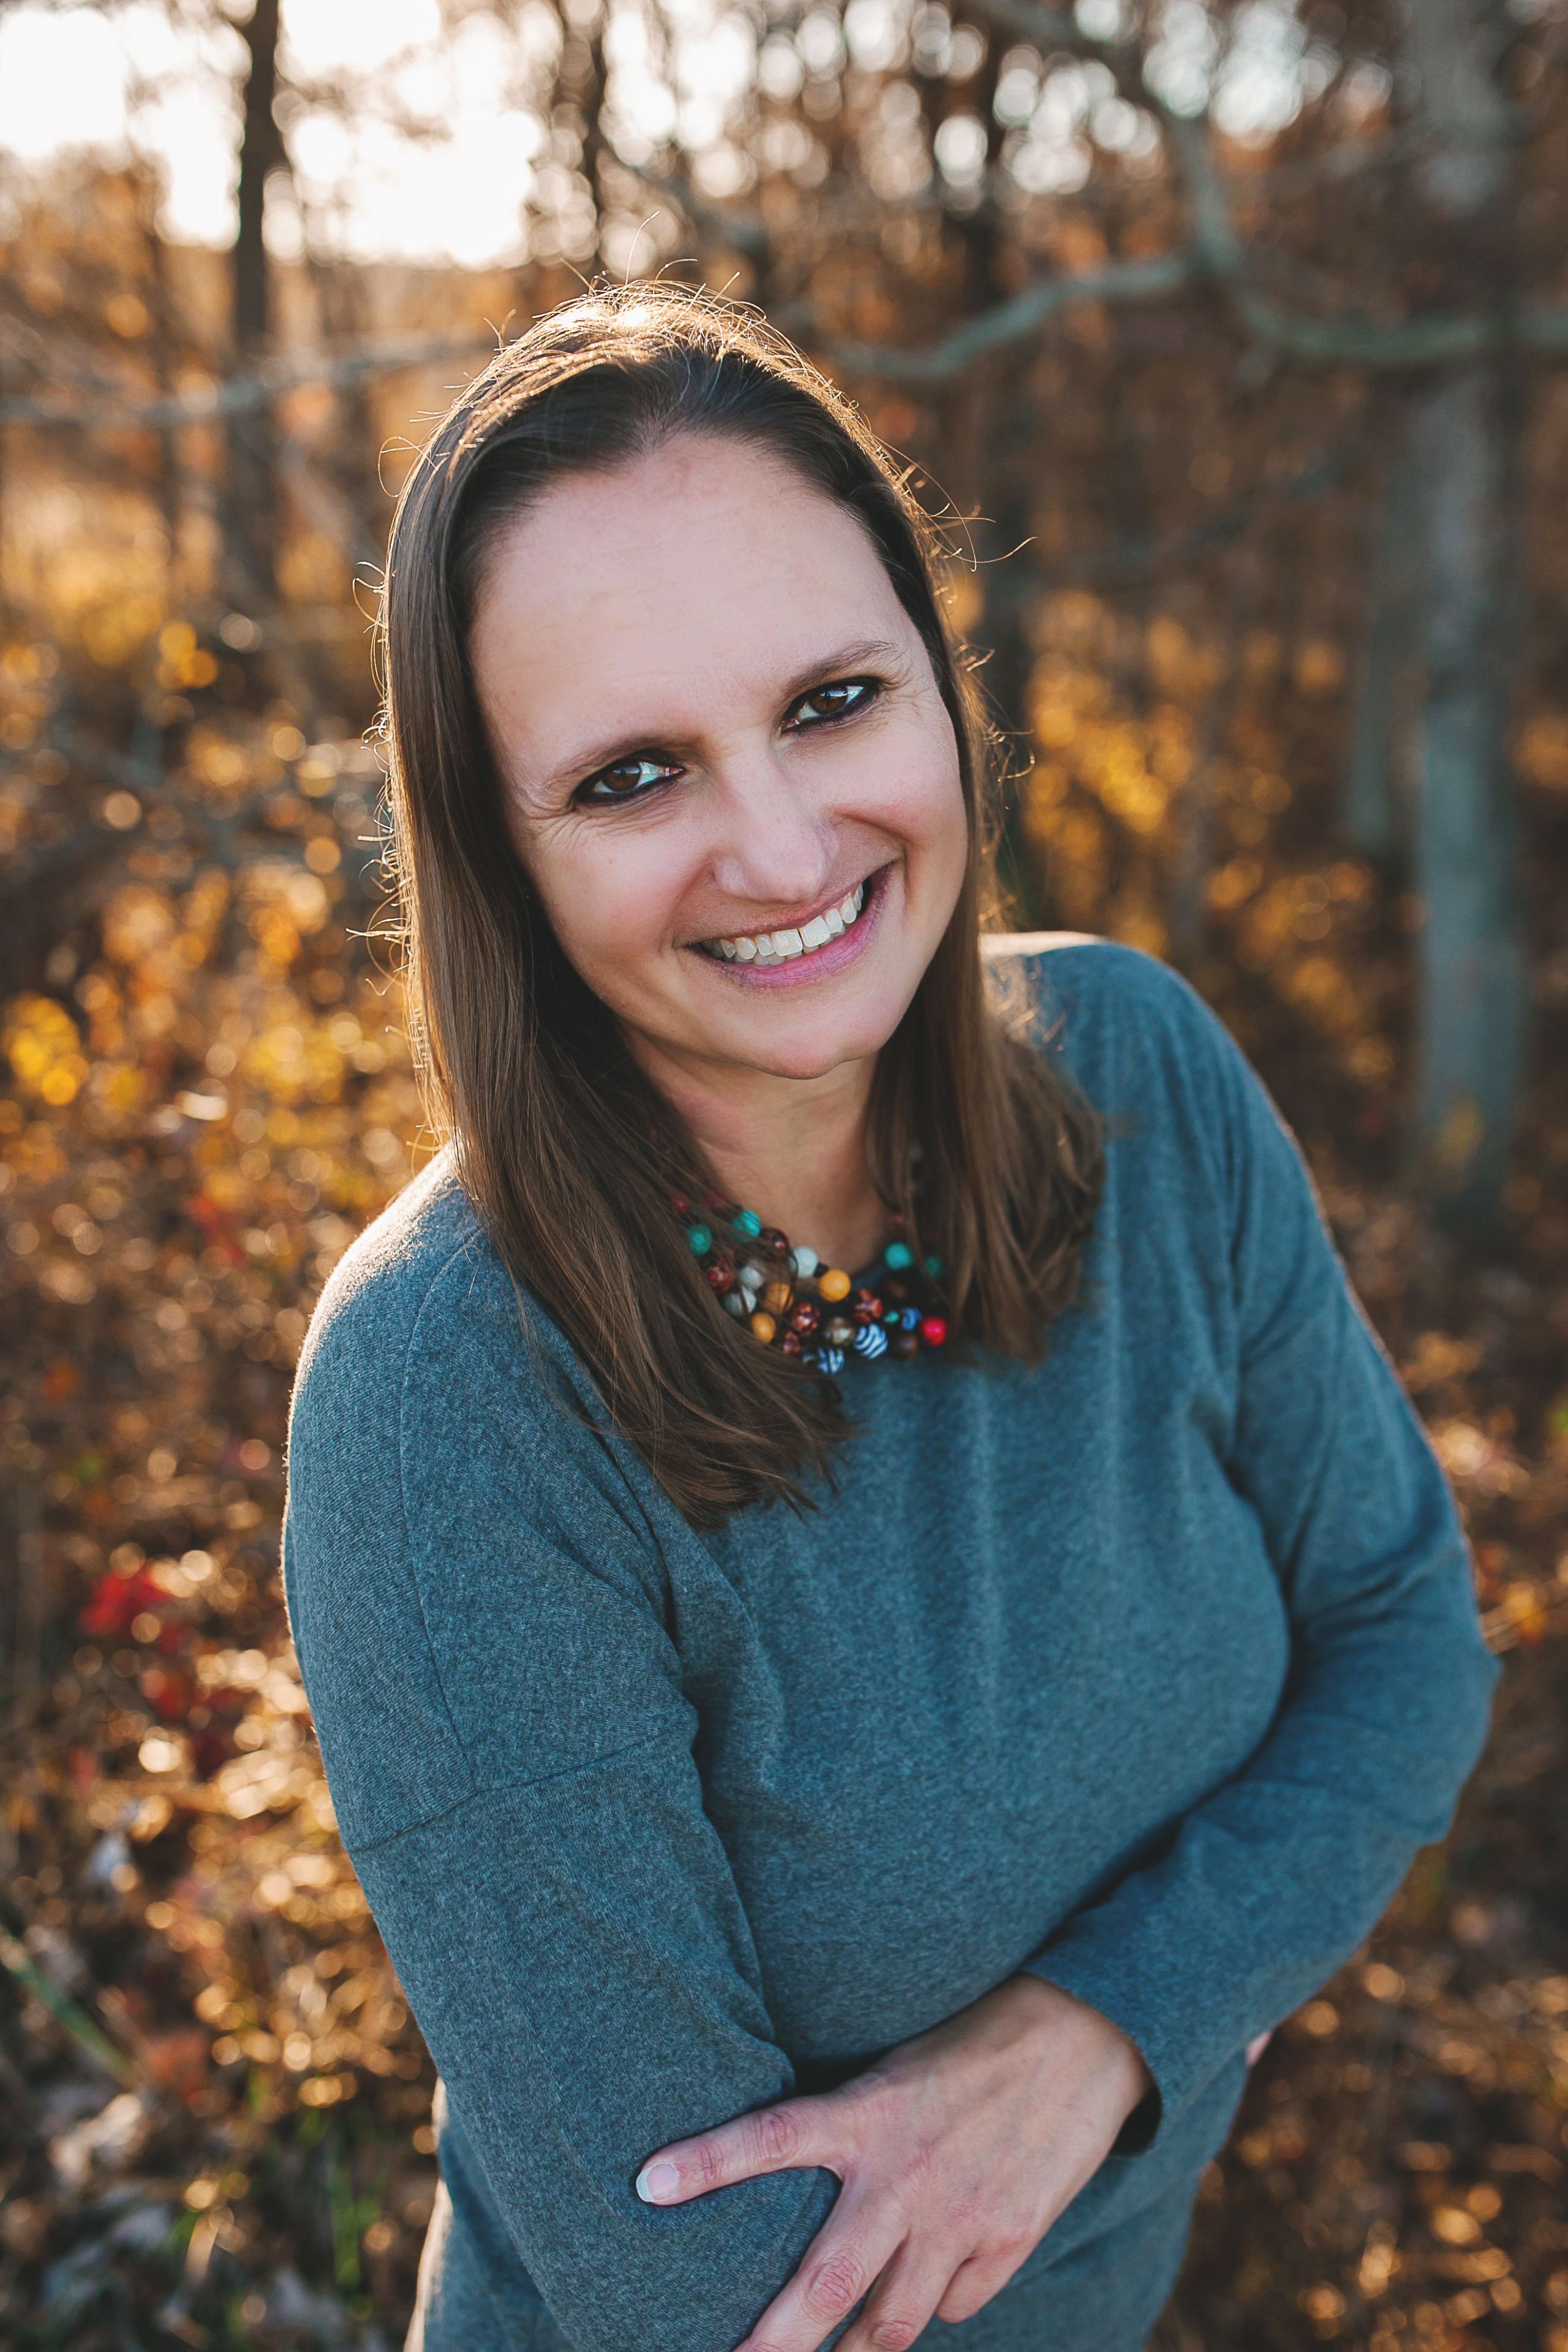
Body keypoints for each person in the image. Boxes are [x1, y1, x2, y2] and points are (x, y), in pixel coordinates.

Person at [282, 288, 1500, 2352]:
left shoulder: (1141, 1072)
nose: (777, 845)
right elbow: (699, 2290)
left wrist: (1097, 2035)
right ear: (502, 859)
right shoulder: (449, 1396)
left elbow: (1402, 1647)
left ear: (941, 688)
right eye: (633, 773)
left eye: (833, 700)